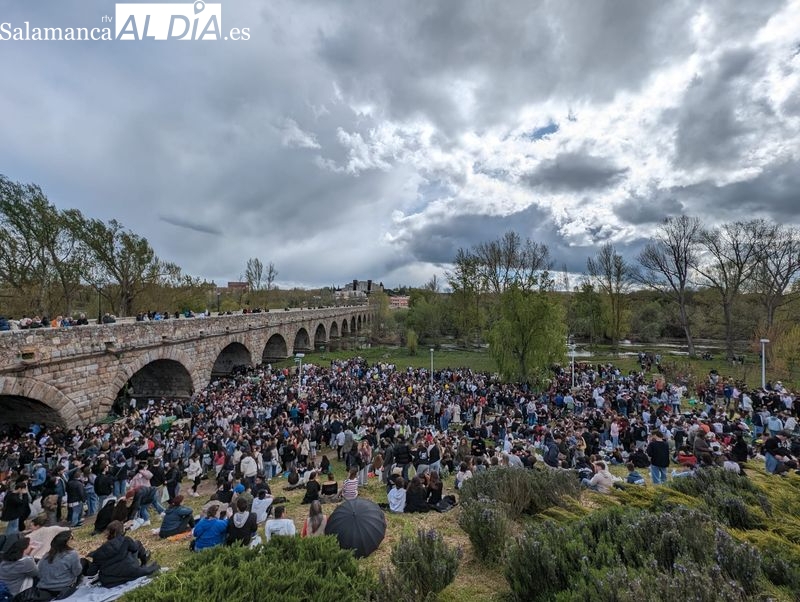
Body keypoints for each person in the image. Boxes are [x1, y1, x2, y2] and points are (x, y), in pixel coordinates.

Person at [87, 521, 159, 588]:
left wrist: (86, 565)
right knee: (137, 543)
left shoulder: (99, 552)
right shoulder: (126, 540)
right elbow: (134, 549)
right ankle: (144, 560)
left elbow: (91, 572)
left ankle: (144, 560)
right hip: (130, 571)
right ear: (122, 531)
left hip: (109, 581)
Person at [35, 530, 83, 600]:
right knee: (83, 563)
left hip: (44, 588)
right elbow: (77, 572)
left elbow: (39, 573)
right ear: (67, 542)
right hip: (63, 588)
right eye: (72, 538)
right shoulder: (72, 554)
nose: (75, 540)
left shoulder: (46, 555)